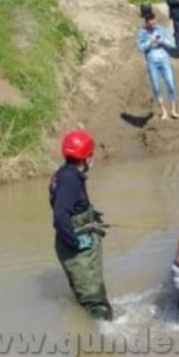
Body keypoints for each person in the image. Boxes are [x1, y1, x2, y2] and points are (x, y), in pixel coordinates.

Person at [49, 129, 113, 321]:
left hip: (72, 243)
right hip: (78, 248)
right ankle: (101, 342)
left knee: (85, 294)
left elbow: (74, 208)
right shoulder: (70, 181)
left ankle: (87, 329)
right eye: (91, 155)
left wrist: (93, 217)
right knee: (95, 301)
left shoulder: (64, 174)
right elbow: (60, 215)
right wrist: (75, 243)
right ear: (86, 158)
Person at [136, 10, 179, 120]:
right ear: (146, 23)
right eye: (150, 23)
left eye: (154, 22)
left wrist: (162, 41)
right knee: (156, 87)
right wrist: (150, 43)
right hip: (152, 62)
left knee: (170, 83)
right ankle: (163, 111)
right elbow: (140, 48)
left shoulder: (161, 29)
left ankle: (174, 110)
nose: (152, 25)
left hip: (164, 59)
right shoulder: (142, 33)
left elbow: (173, 44)